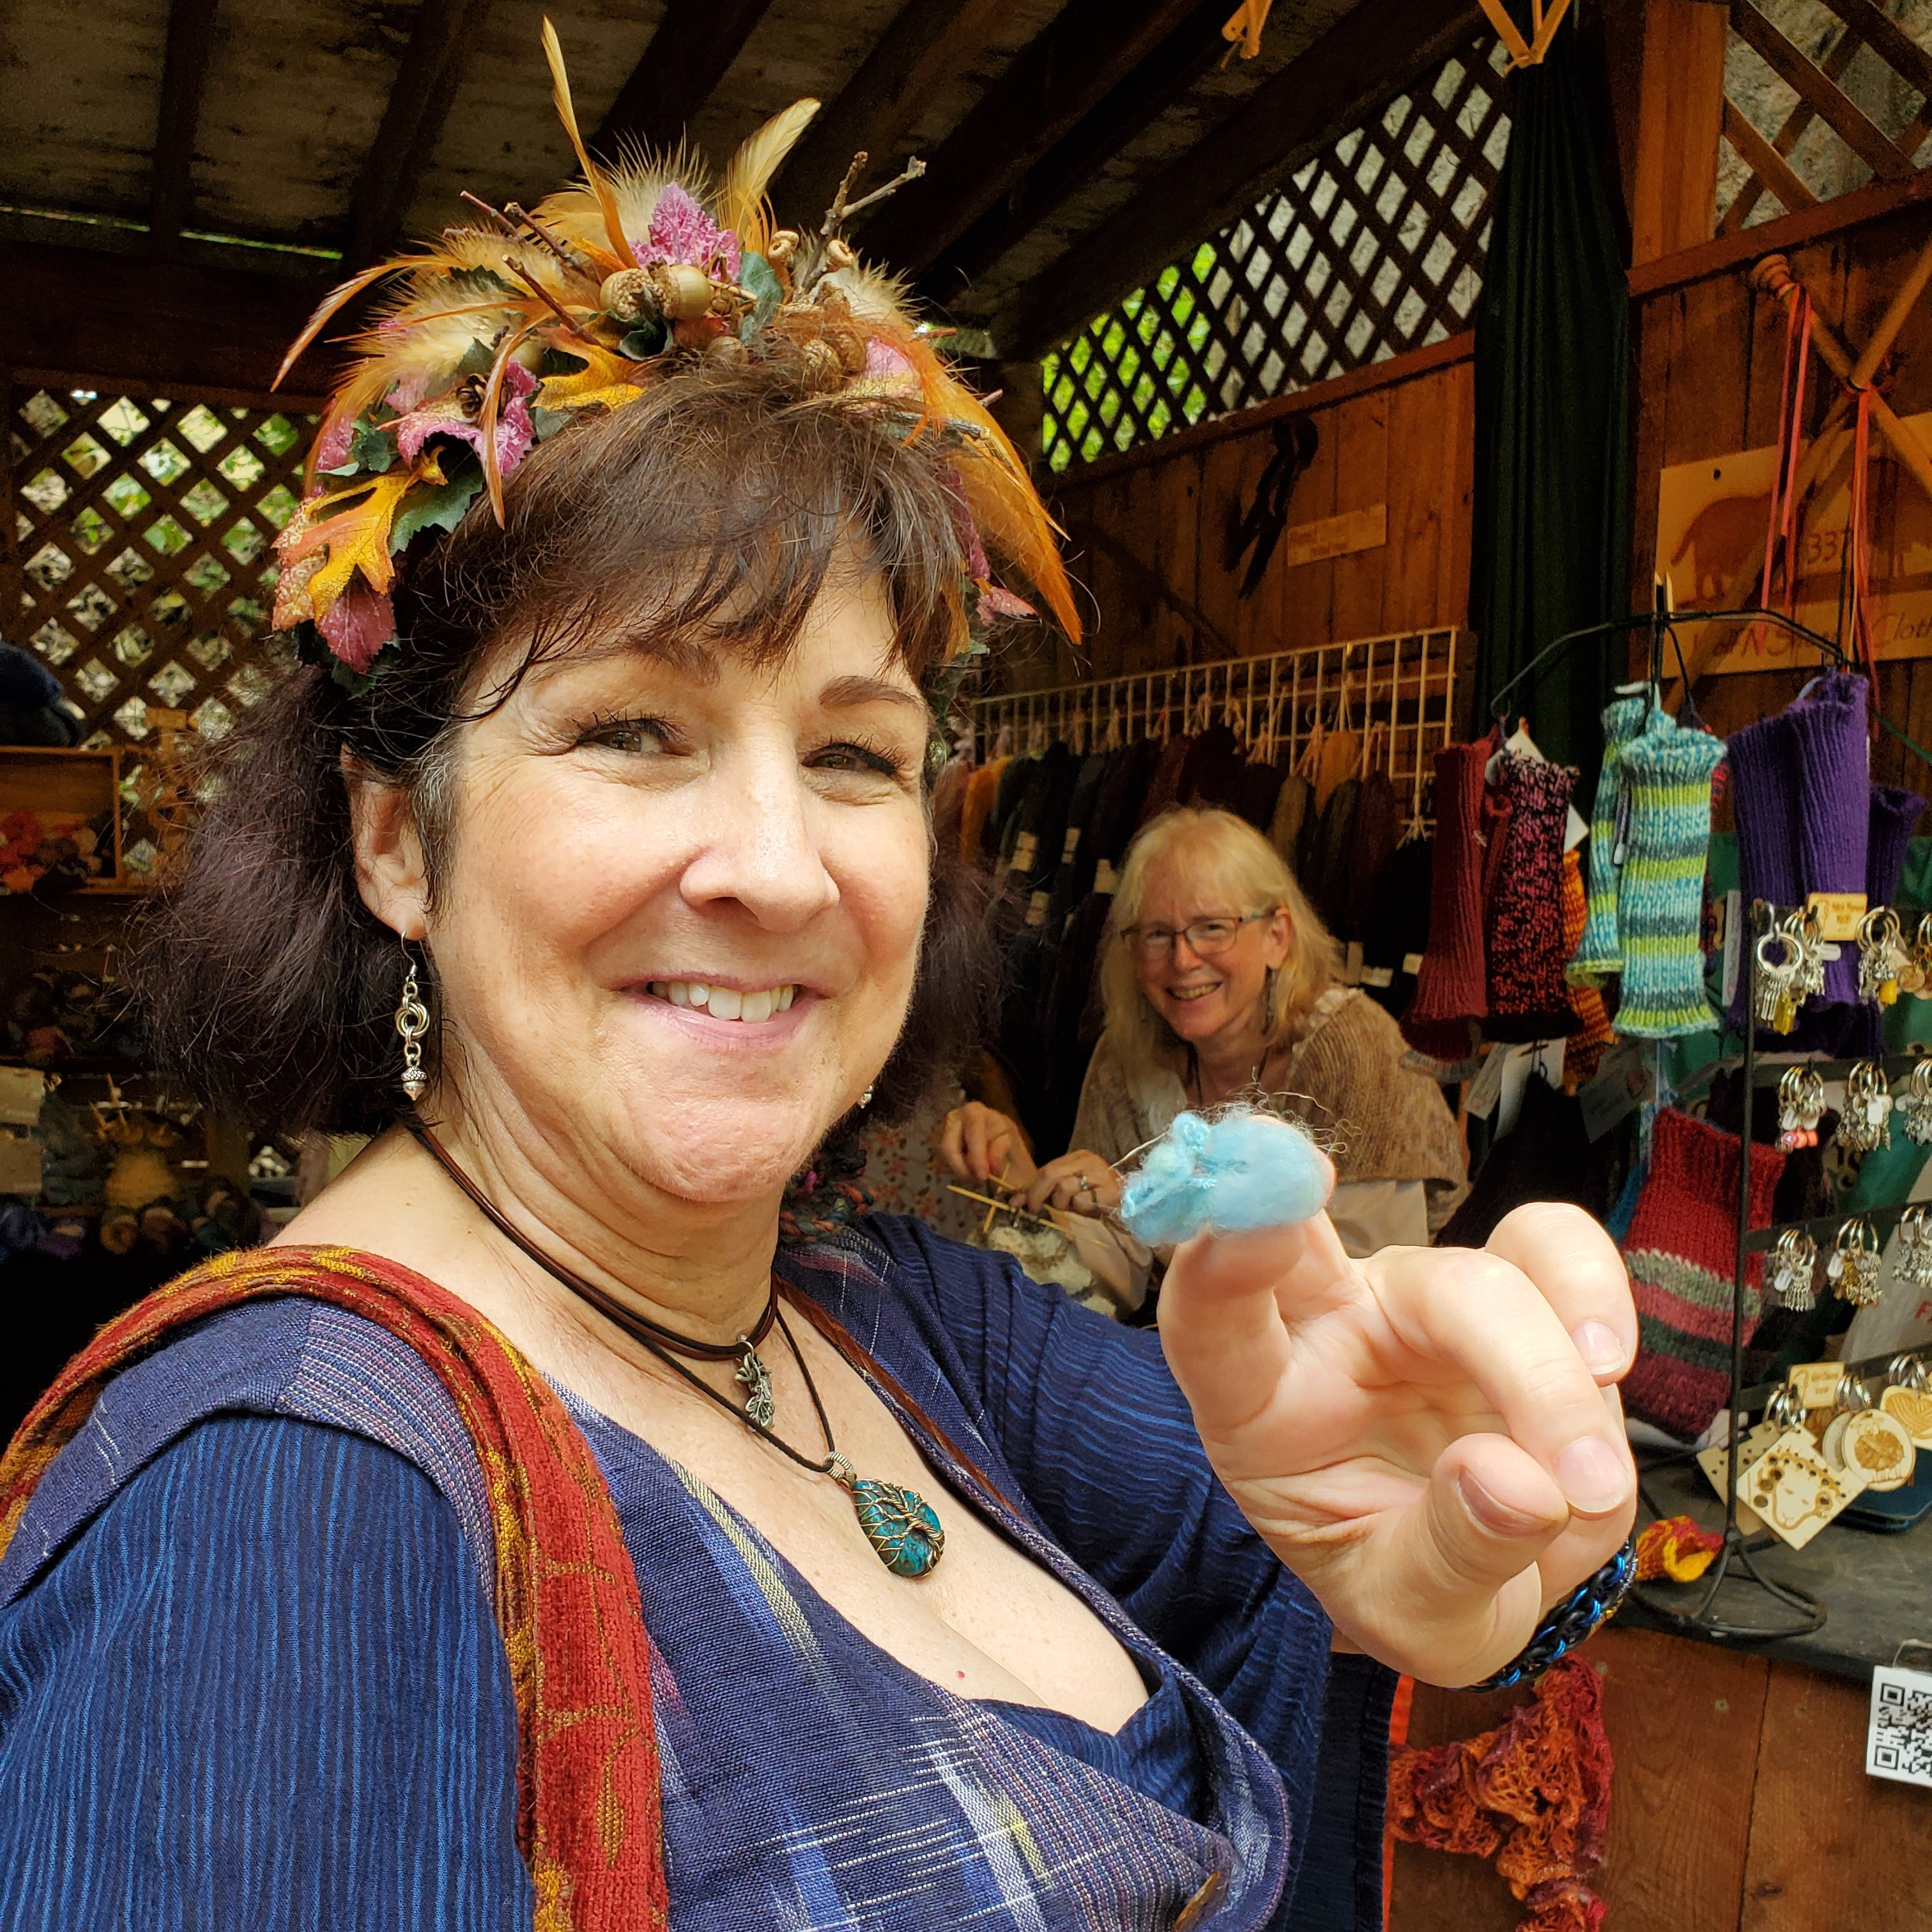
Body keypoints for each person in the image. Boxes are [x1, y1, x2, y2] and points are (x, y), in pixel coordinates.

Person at [0, 54, 1635, 1932]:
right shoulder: (285, 1525)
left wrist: (1505, 1540)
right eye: (633, 727)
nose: (778, 865)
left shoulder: (879, 1313)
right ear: (393, 841)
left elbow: (1313, 1556)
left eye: (855, 757)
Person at [944, 807, 1467, 1298]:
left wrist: (1153, 1216)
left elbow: (1356, 1291)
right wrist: (1023, 1186)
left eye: (1212, 928)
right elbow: (1114, 1271)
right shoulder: (1129, 1055)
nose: (1182, 958)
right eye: (1156, 935)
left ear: (1277, 937)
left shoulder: (1355, 1051)